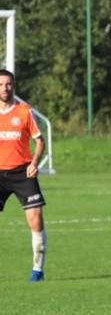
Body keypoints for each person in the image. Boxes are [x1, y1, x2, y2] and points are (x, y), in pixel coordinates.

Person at [0, 69, 47, 282]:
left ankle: (37, 271)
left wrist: (34, 163)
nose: (5, 88)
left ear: (14, 86)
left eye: (8, 84)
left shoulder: (24, 111)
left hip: (22, 172)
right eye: (1, 84)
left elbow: (39, 141)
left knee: (35, 219)